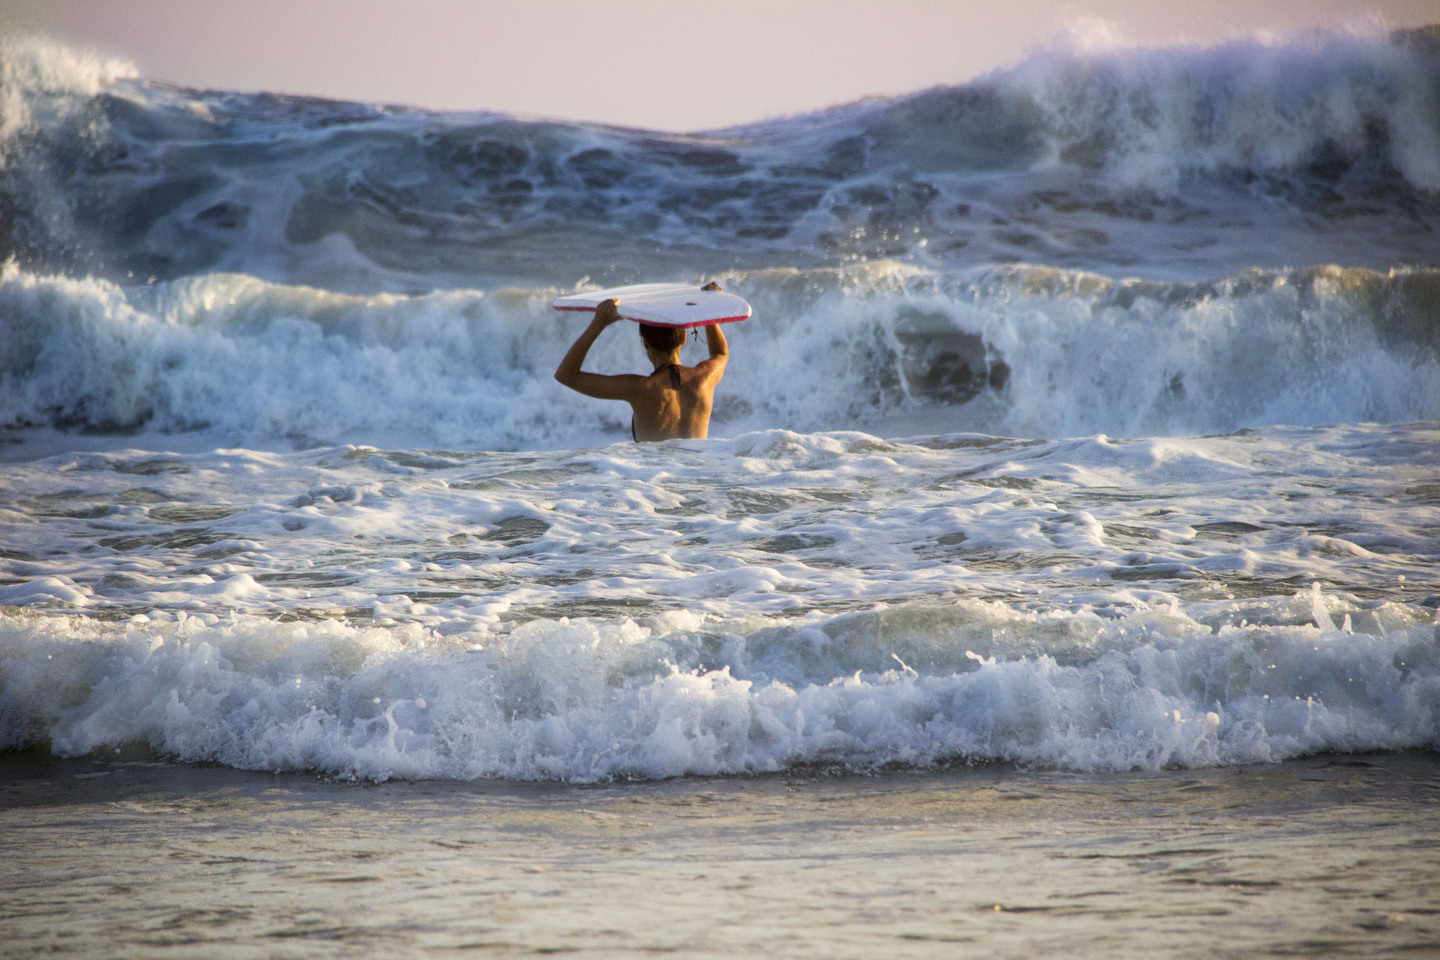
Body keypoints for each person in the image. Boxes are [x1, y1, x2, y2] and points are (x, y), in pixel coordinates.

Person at [554, 283, 730, 441]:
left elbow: (566, 375)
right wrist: (709, 312)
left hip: (653, 476)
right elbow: (721, 353)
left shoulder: (640, 388)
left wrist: (598, 324)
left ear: (645, 342)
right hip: (696, 475)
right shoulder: (705, 377)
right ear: (683, 338)